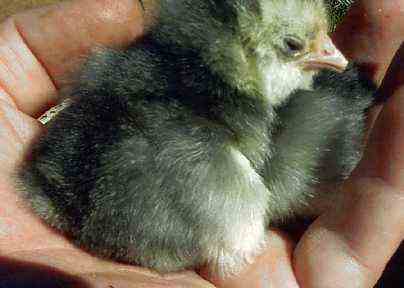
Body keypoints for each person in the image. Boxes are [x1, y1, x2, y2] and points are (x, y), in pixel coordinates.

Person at [0, 0, 403, 287]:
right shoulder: (202, 166)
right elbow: (234, 236)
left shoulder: (139, 85)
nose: (334, 54)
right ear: (240, 58)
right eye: (294, 45)